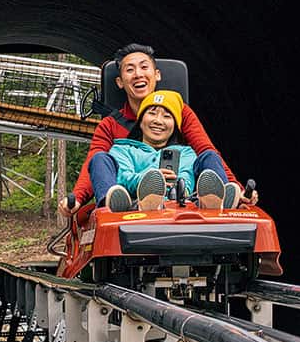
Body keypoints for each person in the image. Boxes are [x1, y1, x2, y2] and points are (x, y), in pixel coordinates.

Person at [61, 43, 255, 215]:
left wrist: (236, 187)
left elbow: (206, 150)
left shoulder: (182, 117)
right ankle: (113, 206)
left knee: (207, 159)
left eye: (144, 67)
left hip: (179, 195)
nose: (138, 74)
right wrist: (77, 198)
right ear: (120, 82)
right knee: (100, 159)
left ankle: (217, 199)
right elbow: (95, 163)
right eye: (130, 69)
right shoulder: (116, 137)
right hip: (132, 194)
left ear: (157, 75)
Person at [88, 89, 236, 211]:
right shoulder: (122, 149)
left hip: (180, 204)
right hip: (133, 204)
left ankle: (216, 202)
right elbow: (122, 177)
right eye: (152, 113)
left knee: (209, 156)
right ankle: (112, 207)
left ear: (174, 126)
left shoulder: (186, 152)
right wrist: (148, 180)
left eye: (166, 116)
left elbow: (187, 176)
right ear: (140, 121)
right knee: (99, 158)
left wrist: (178, 186)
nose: (158, 121)